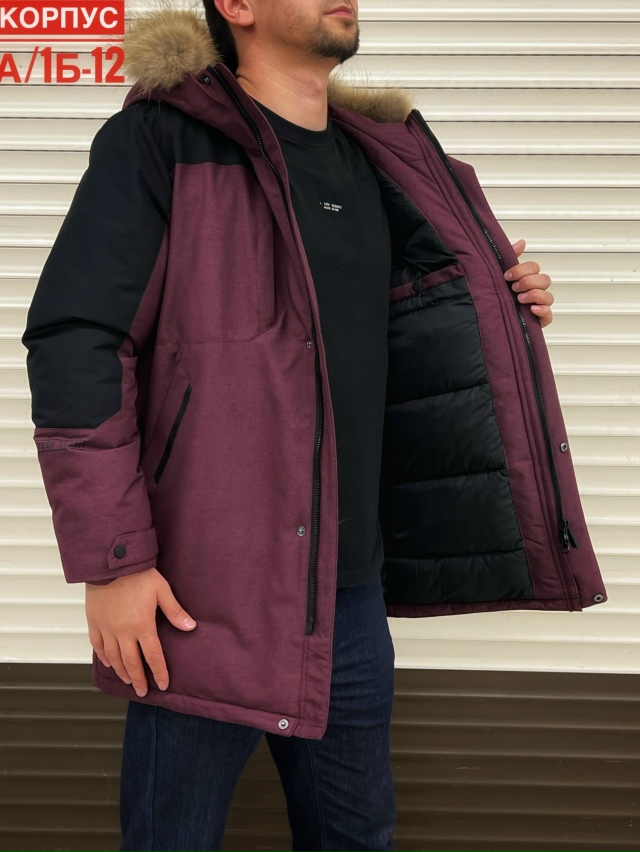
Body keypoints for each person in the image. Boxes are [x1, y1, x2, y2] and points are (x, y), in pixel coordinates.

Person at [21, 1, 607, 849]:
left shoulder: (385, 159)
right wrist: (115, 563)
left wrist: (500, 305)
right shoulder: (161, 141)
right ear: (237, 6)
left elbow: (406, 332)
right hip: (198, 598)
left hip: (351, 598)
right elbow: (77, 342)